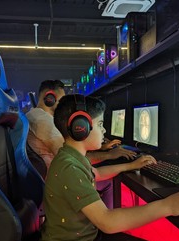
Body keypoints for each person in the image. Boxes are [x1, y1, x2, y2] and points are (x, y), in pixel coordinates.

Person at [40, 94, 179, 241]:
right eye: (101, 124)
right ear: (80, 128)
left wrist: (130, 165)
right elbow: (107, 222)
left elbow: (97, 173)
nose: (104, 130)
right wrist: (169, 205)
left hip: (86, 238)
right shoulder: (69, 167)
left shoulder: (71, 157)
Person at [26, 80, 136, 208]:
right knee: (109, 182)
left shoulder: (34, 115)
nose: (63, 103)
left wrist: (103, 149)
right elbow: (72, 158)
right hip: (59, 182)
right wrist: (109, 155)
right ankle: (103, 225)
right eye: (61, 99)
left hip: (50, 177)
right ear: (49, 97)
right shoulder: (43, 121)